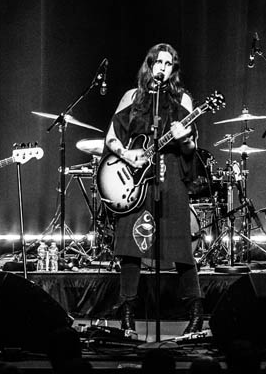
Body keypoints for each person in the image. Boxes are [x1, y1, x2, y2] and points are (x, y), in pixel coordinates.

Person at [103, 43, 203, 335]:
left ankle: (196, 314)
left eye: (169, 63)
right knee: (131, 247)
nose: (163, 66)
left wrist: (184, 139)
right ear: (149, 65)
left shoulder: (183, 99)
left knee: (181, 245)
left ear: (174, 69)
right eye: (158, 61)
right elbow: (111, 138)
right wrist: (126, 154)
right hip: (135, 177)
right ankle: (128, 315)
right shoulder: (132, 97)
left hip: (170, 174)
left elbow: (191, 146)